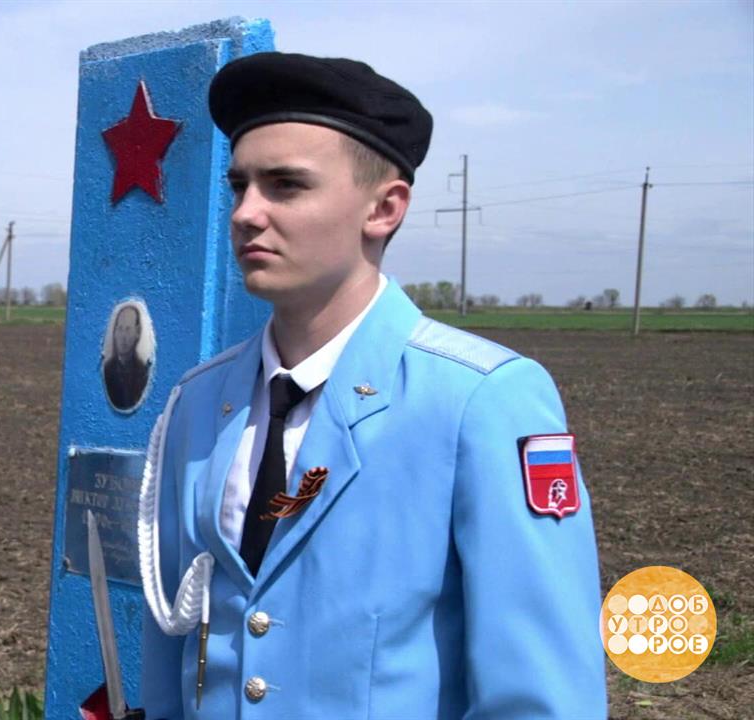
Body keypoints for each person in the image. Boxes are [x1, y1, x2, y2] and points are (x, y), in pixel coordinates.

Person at [139, 54, 606, 719]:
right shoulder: (198, 403)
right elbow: (173, 637)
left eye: (285, 186)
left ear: (384, 209)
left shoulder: (480, 399)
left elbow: (541, 696)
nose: (246, 213)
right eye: (239, 185)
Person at [103, 303, 151, 411]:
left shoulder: (143, 372)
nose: (123, 336)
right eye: (120, 329)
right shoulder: (107, 370)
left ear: (137, 332)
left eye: (128, 329)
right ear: (114, 333)